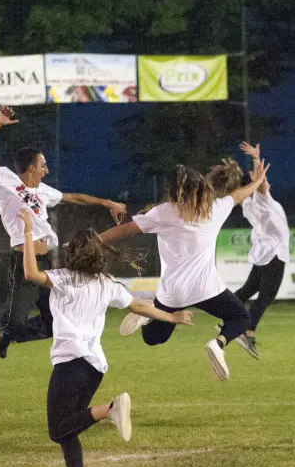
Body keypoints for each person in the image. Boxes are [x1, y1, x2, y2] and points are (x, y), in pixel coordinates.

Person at [17, 208, 193, 467]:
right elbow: (138, 307)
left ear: (75, 254)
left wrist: (26, 232)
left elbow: (30, 273)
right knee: (69, 427)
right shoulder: (106, 283)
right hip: (93, 368)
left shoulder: (63, 278)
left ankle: (109, 409)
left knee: (57, 429)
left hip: (71, 363)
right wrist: (171, 317)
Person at [0, 105, 127, 358]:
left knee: (54, 323)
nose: (46, 170)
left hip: (46, 263)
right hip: (25, 263)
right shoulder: (4, 180)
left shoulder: (43, 191)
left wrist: (107, 203)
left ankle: (8, 333)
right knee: (14, 322)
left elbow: (74, 198)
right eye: (43, 165)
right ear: (30, 168)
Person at [99, 157, 270, 381]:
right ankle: (218, 344)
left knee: (152, 339)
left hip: (174, 293)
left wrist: (94, 239)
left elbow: (125, 230)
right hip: (206, 289)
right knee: (241, 318)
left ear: (174, 191)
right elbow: (238, 195)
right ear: (201, 189)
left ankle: (147, 314)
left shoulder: (164, 212)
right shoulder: (215, 208)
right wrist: (257, 183)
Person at [206, 143, 290, 358]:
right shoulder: (259, 200)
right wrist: (257, 169)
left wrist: (256, 162)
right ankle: (247, 332)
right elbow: (260, 187)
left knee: (249, 289)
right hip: (274, 253)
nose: (266, 183)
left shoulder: (248, 203)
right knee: (266, 296)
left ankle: (226, 316)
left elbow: (258, 187)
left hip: (265, 251)